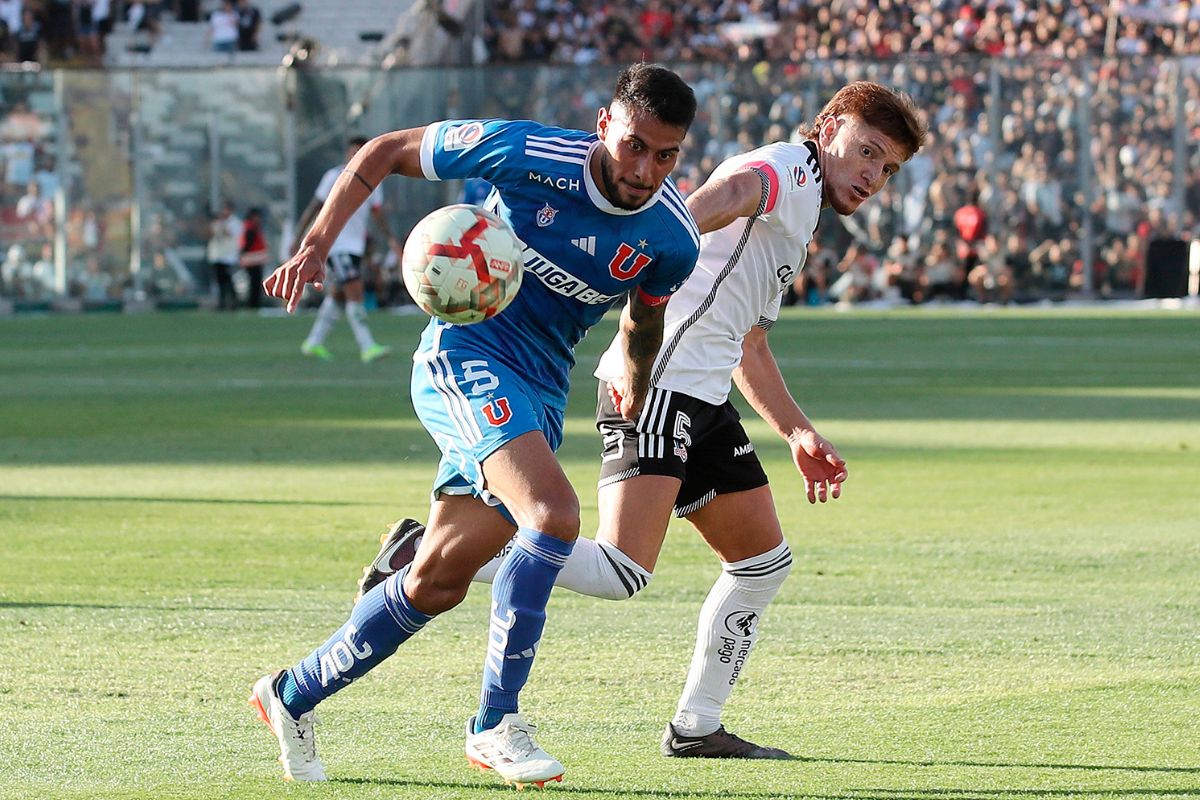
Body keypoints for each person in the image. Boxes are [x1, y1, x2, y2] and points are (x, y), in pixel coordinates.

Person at [358, 81, 927, 759]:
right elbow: (690, 213)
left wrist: (797, 430)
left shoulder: (800, 203)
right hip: (659, 388)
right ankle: (430, 555)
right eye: (865, 151)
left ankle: (697, 727)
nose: (872, 174)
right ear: (829, 126)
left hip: (703, 394)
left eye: (886, 167)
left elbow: (749, 343)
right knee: (622, 571)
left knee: (761, 563)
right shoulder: (783, 170)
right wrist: (647, 278)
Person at [251, 63, 700, 785]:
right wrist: (318, 241)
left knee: (438, 579)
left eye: (666, 154)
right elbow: (384, 151)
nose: (645, 169)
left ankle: (290, 694)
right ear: (604, 127)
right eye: (634, 146)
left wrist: (636, 387)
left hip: (541, 388)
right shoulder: (525, 154)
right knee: (552, 517)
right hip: (464, 355)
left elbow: (644, 318)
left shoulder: (672, 237)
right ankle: (496, 723)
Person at [295, 136, 396, 364]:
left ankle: (313, 342)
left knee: (339, 294)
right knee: (355, 291)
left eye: (361, 153)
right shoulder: (334, 177)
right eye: (353, 153)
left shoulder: (374, 180)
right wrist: (299, 237)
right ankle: (367, 346)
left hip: (355, 246)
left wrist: (390, 239)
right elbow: (315, 206)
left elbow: (377, 215)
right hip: (335, 244)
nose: (356, 157)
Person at [207, 201, 241, 311]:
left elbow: (230, 234)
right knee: (220, 281)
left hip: (228, 257)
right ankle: (222, 303)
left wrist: (222, 224)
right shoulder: (217, 222)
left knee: (228, 280)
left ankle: (233, 302)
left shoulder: (235, 222)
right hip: (217, 256)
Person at [239, 207, 269, 309]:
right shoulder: (250, 228)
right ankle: (253, 304)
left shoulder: (252, 227)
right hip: (252, 260)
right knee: (254, 283)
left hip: (254, 259)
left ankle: (254, 304)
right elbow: (247, 244)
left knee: (255, 283)